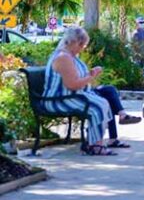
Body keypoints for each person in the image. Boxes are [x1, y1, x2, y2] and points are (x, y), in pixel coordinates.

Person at [42, 27, 137, 156]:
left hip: (70, 96)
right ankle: (95, 145)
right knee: (98, 106)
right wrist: (91, 77)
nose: (83, 48)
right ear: (75, 43)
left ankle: (96, 142)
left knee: (103, 102)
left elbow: (77, 79)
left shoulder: (70, 56)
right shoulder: (63, 58)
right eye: (83, 45)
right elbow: (72, 85)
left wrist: (90, 73)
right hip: (59, 99)